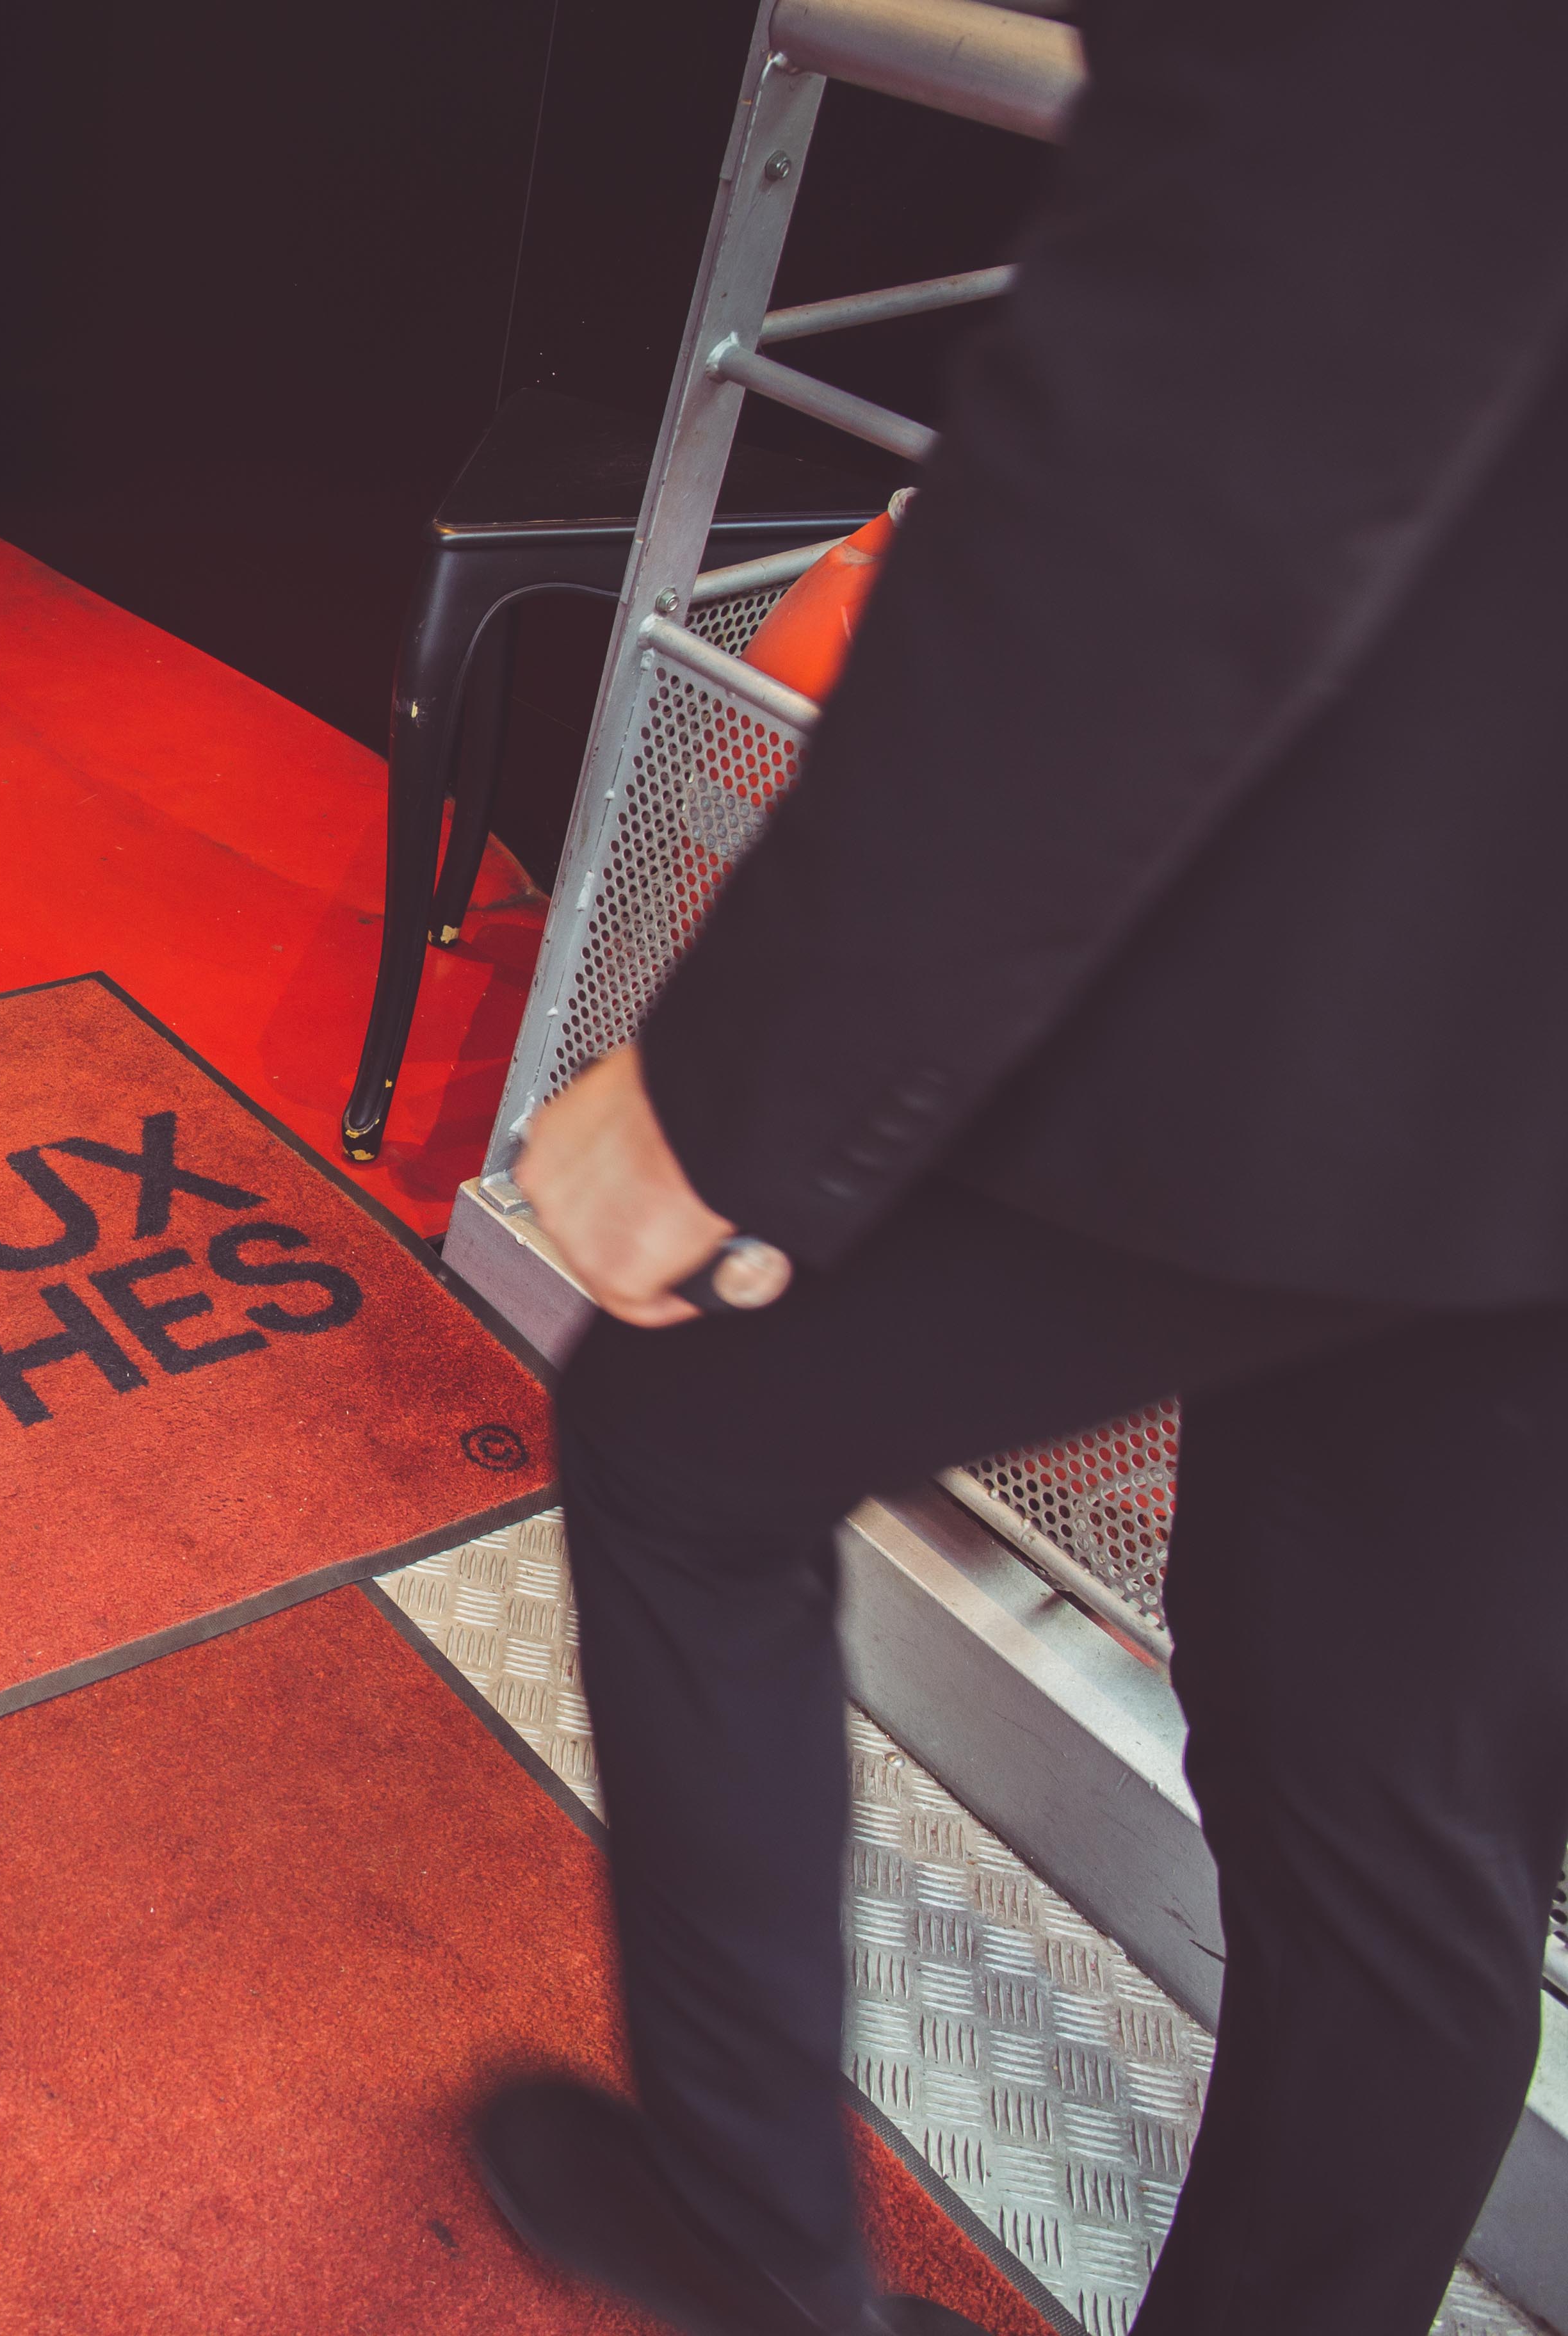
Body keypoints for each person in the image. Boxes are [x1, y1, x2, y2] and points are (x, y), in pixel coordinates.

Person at [467, 1, 1568, 2332]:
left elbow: (1206, 423)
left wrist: (730, 1092)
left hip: (1385, 986)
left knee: (684, 1435)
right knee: (1384, 1797)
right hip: (1491, 1033)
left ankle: (752, 2244)